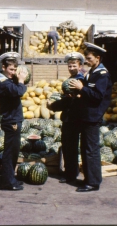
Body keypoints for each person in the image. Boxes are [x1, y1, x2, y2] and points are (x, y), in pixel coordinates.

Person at [69, 42, 112, 192]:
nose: (86, 61)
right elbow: (89, 94)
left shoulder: (101, 74)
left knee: (91, 150)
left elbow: (98, 96)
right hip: (87, 116)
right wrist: (79, 94)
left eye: (89, 58)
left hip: (92, 117)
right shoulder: (93, 72)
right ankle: (89, 179)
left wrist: (82, 88)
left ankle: (93, 183)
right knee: (86, 148)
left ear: (97, 58)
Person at [47, 52, 84, 184]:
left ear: (80, 66)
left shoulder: (78, 81)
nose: (71, 68)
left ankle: (70, 175)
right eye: (69, 66)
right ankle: (71, 172)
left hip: (74, 118)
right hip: (70, 118)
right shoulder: (72, 79)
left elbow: (69, 102)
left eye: (74, 65)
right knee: (69, 146)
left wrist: (53, 106)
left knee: (70, 147)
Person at [0, 52, 27, 191]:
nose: (13, 72)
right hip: (11, 120)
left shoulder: (7, 81)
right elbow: (19, 91)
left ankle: (11, 178)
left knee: (14, 150)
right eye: (11, 70)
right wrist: (21, 80)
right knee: (10, 151)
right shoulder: (3, 83)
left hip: (13, 118)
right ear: (3, 67)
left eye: (15, 69)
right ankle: (7, 181)